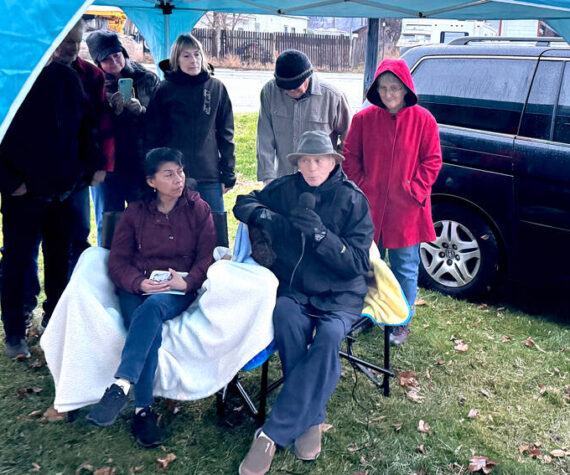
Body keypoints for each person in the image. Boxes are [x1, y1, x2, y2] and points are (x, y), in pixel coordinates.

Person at [234, 130, 374, 475]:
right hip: (296, 289)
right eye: (305, 161)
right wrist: (266, 217)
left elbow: (358, 263)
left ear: (332, 162)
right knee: (286, 318)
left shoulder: (353, 199)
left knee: (328, 339)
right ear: (297, 163)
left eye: (319, 160)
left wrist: (322, 236)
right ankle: (311, 419)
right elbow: (243, 202)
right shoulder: (286, 189)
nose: (312, 167)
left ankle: (271, 434)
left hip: (341, 293)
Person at [86, 147, 216, 447]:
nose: (178, 179)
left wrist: (186, 282)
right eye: (169, 174)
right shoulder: (135, 213)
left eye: (181, 172)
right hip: (138, 287)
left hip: (176, 288)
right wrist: (139, 283)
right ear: (151, 182)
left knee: (154, 309)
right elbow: (118, 261)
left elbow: (207, 258)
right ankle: (142, 411)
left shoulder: (199, 209)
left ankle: (124, 386)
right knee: (147, 326)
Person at [0, 58, 105, 359]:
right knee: (17, 261)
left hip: (63, 190)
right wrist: (8, 181)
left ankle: (55, 321)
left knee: (60, 259)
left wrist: (89, 165)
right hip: (22, 193)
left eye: (74, 45)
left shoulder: (67, 78)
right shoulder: (11, 73)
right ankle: (15, 331)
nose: (68, 50)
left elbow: (87, 126)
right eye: (64, 44)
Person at [343, 58, 442, 345]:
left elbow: (433, 161)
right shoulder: (363, 120)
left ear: (406, 89)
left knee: (405, 267)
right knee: (369, 264)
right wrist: (363, 187)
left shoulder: (424, 120)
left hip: (407, 210)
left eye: (395, 88)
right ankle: (368, 314)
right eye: (383, 88)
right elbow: (350, 157)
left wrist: (414, 189)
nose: (389, 94)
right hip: (369, 209)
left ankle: (401, 320)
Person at [145, 33, 236, 212]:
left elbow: (226, 134)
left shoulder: (216, 87)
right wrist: (155, 172)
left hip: (209, 175)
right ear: (176, 60)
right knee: (176, 233)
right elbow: (152, 135)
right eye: (186, 56)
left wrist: (228, 173)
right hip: (173, 176)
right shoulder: (164, 89)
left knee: (213, 230)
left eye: (197, 54)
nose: (193, 60)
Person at [52, 20, 113, 269]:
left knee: (77, 233)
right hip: (33, 170)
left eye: (78, 42)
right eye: (68, 42)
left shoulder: (92, 75)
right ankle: (24, 302)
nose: (74, 48)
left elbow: (98, 124)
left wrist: (100, 164)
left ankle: (71, 294)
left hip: (76, 170)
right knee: (27, 242)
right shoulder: (28, 74)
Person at [86, 29, 159, 240]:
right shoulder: (95, 83)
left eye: (116, 55)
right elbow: (90, 126)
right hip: (108, 167)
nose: (114, 62)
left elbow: (160, 123)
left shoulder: (147, 78)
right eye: (106, 59)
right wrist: (112, 113)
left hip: (141, 163)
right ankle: (108, 266)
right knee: (109, 223)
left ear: (124, 53)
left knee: (144, 220)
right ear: (98, 63)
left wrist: (140, 111)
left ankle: (143, 266)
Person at [256, 49, 351, 186]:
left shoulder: (333, 96)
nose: (290, 92)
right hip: (284, 178)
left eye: (295, 87)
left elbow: (349, 138)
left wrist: (334, 168)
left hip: (322, 182)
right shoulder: (269, 92)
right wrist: (268, 177)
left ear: (308, 76)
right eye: (285, 89)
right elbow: (264, 138)